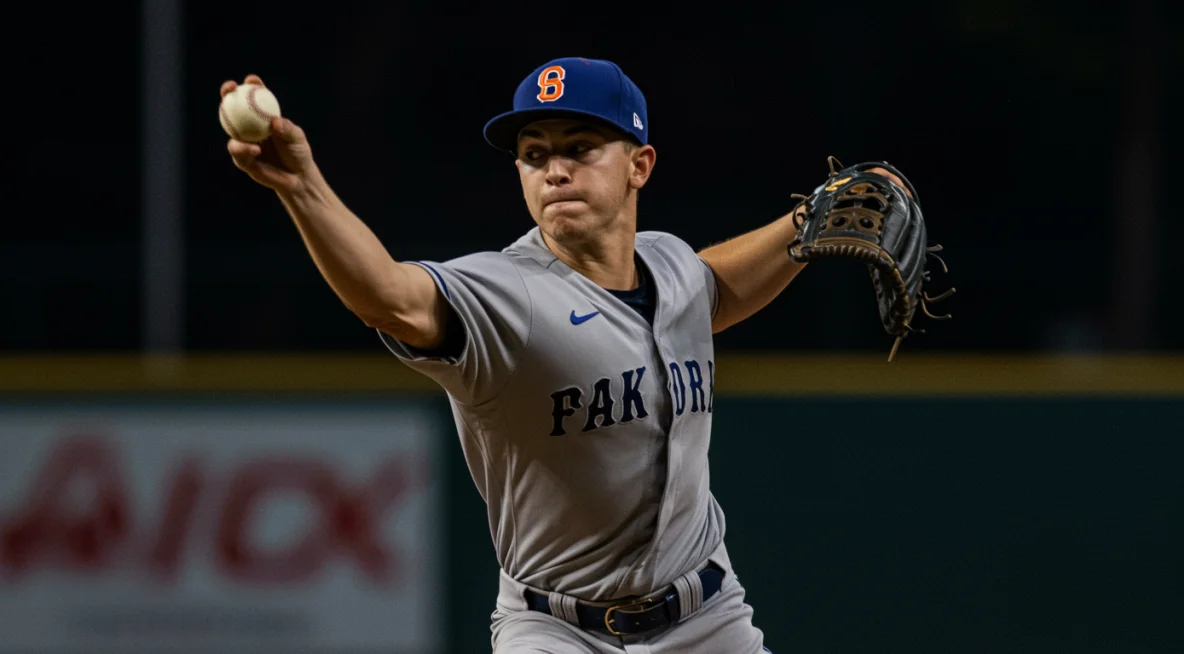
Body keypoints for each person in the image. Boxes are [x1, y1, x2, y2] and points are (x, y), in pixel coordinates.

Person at [221, 57, 909, 653]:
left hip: (708, 617)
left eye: (579, 148)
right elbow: (389, 297)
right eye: (534, 153)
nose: (553, 170)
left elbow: (714, 289)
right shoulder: (506, 295)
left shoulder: (669, 265)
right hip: (558, 630)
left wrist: (801, 228)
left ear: (640, 164)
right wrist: (303, 190)